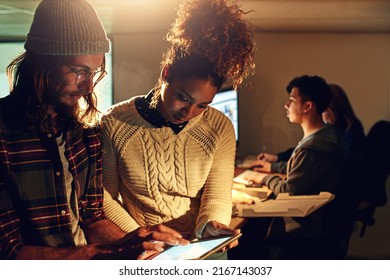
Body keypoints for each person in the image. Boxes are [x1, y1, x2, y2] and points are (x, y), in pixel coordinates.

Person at [0, 0, 189, 260]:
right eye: (80, 71)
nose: (88, 87)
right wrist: (104, 253)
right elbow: (8, 250)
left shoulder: (84, 132)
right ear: (42, 62)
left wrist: (137, 244)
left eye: (96, 72)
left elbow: (91, 217)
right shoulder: (3, 134)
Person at [100, 0, 255, 259]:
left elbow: (216, 196)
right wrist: (142, 237)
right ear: (166, 73)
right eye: (183, 97)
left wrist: (211, 226)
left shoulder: (218, 127)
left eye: (202, 105)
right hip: (146, 253)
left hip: (202, 252)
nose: (189, 113)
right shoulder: (114, 123)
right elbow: (105, 198)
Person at [242, 75, 345, 259]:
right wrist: (273, 166)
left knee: (248, 235)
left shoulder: (312, 148)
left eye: (291, 101)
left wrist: (261, 177)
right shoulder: (326, 134)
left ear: (307, 106)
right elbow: (303, 168)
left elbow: (289, 191)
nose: (286, 106)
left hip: (307, 231)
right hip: (321, 225)